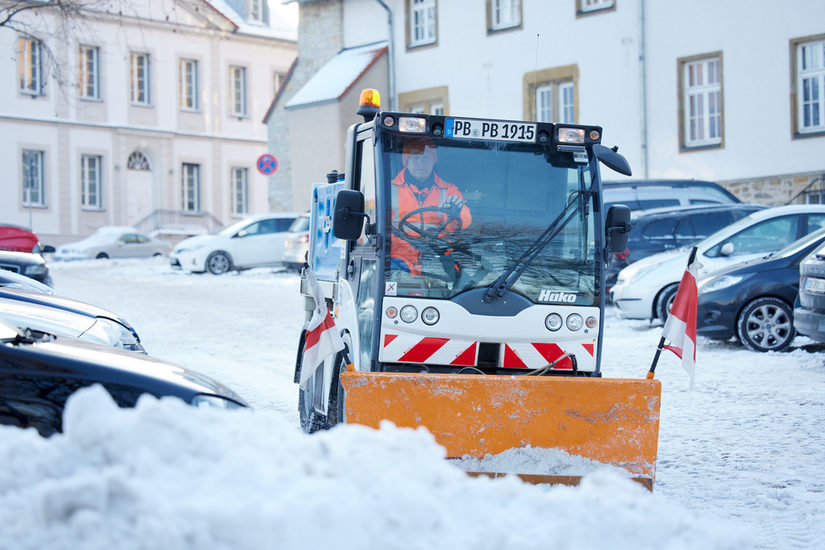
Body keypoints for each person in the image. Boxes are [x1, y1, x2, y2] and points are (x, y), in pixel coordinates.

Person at [390, 138, 472, 276]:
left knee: (462, 280)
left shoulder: (449, 190)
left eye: (426, 158)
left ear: (434, 161)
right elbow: (371, 223)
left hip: (438, 257)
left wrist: (455, 214)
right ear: (406, 162)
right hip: (399, 260)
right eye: (416, 158)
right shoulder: (388, 189)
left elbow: (466, 218)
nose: (421, 164)